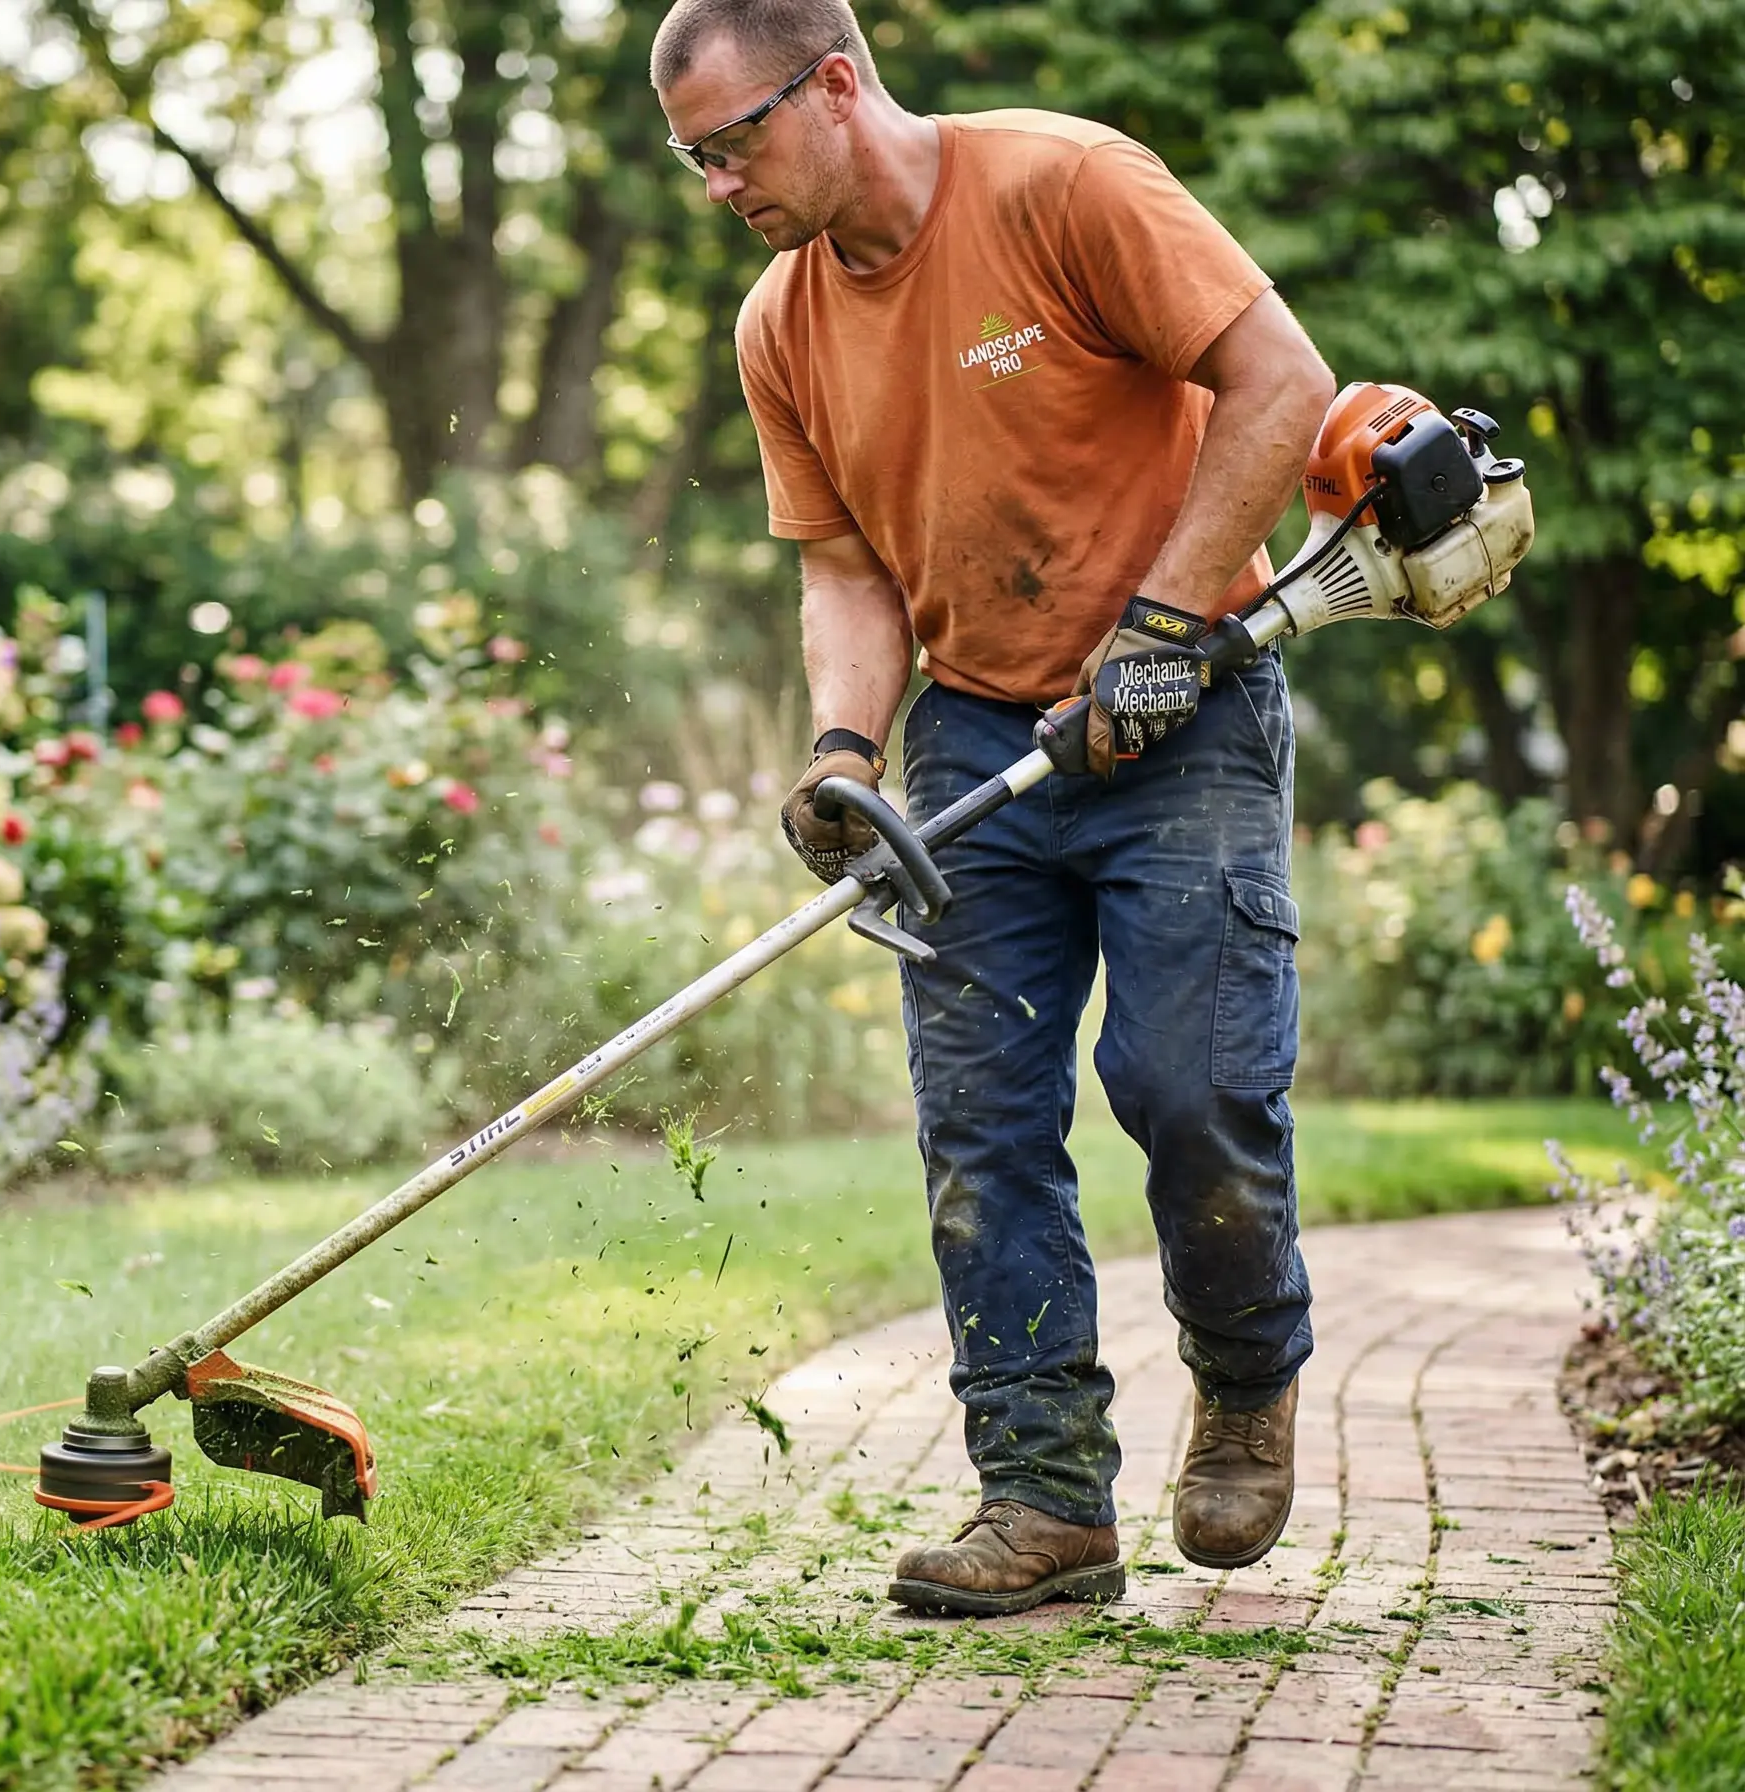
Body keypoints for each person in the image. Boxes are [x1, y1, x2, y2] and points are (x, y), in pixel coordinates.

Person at [652, 0, 1338, 1615]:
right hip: (974, 744)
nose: (714, 187)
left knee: (1190, 1087)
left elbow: (1280, 383)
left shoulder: (1063, 185)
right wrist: (839, 751)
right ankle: (1043, 1498)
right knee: (981, 1132)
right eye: (689, 158)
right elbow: (845, 567)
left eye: (730, 144)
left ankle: (1244, 1379)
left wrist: (1164, 629)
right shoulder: (780, 325)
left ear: (834, 84)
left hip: (1192, 710)